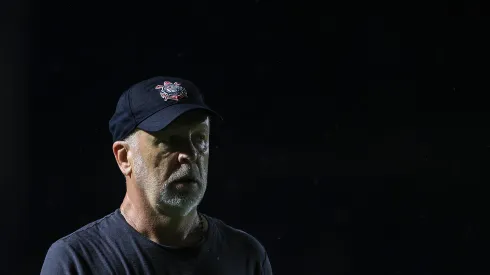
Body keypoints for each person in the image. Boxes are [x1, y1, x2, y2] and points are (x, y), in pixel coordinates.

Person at [40, 76, 273, 274]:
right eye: (169, 141)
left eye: (200, 139)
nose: (189, 154)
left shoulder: (245, 256)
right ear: (124, 157)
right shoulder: (78, 261)